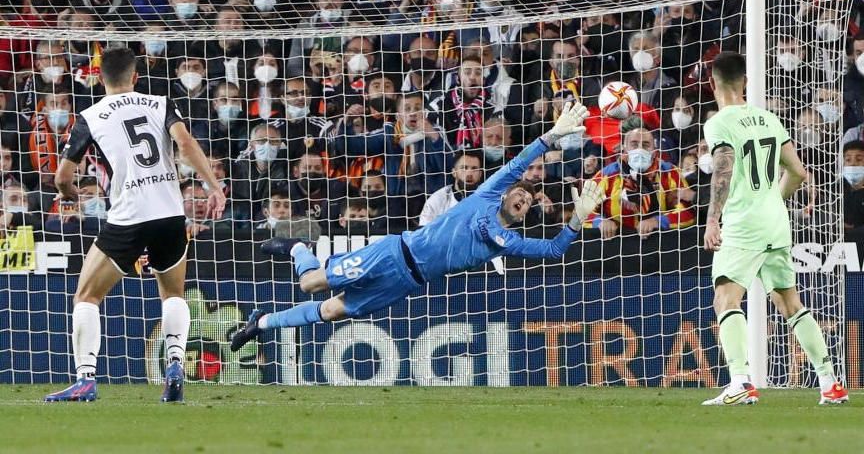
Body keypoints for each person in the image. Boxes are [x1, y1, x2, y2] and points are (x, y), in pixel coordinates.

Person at [230, 102, 605, 347]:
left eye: (526, 206)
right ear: (507, 195)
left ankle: (260, 323)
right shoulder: (486, 196)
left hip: (406, 281)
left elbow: (555, 250)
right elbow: (517, 163)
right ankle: (299, 249)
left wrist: (577, 218)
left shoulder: (506, 240)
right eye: (518, 196)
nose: (521, 202)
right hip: (393, 252)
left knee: (330, 312)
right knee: (310, 283)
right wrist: (552, 136)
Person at [44, 48, 226, 403]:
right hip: (171, 214)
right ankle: (175, 364)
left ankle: (85, 379)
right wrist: (213, 187)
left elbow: (62, 176)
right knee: (172, 293)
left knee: (87, 295)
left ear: (100, 79)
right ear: (136, 78)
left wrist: (68, 195)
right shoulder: (160, 102)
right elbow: (185, 145)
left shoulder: (90, 116)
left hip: (128, 216)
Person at [700, 51, 847, 406]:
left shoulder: (719, 123)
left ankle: (740, 381)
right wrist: (774, 203)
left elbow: (723, 169)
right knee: (790, 302)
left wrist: (713, 218)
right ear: (746, 83)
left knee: (726, 298)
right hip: (776, 223)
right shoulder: (768, 118)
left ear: (712, 84)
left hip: (743, 222)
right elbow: (797, 172)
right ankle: (830, 382)